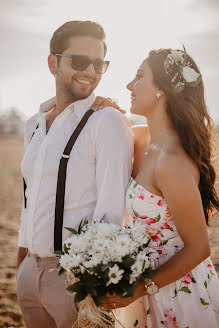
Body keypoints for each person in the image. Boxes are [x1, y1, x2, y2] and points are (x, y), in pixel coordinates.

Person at [16, 20, 133, 328]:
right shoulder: (34, 124)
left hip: (75, 280)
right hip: (29, 272)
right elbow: (30, 200)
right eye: (81, 61)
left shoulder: (106, 121)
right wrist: (22, 265)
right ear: (53, 63)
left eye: (99, 63)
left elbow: (111, 210)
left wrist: (95, 285)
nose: (92, 71)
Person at [93, 48, 219, 327]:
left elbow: (199, 247)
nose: (129, 85)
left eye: (139, 77)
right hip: (139, 280)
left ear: (162, 89)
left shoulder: (172, 163)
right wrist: (101, 109)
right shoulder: (137, 138)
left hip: (175, 290)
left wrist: (139, 288)